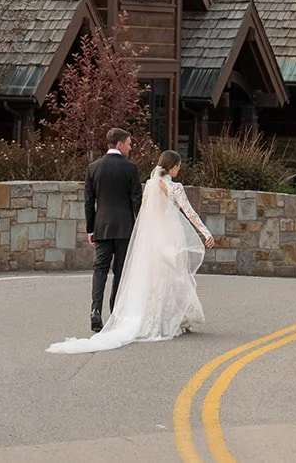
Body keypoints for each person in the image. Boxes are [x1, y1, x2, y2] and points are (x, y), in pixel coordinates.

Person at [48, 149, 216, 354]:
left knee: (154, 279)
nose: (179, 170)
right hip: (170, 236)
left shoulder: (151, 186)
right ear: (172, 167)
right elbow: (189, 212)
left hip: (152, 238)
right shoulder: (175, 188)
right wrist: (205, 233)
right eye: (178, 166)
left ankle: (151, 318)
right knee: (172, 276)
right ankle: (170, 320)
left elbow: (143, 213)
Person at [83, 127, 141, 332]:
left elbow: (89, 202)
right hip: (125, 227)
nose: (131, 147)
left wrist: (91, 229)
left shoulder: (93, 167)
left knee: (100, 269)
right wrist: (140, 227)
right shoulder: (130, 169)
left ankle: (95, 311)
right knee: (120, 270)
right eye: (129, 143)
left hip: (102, 226)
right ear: (119, 144)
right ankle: (115, 312)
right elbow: (137, 201)